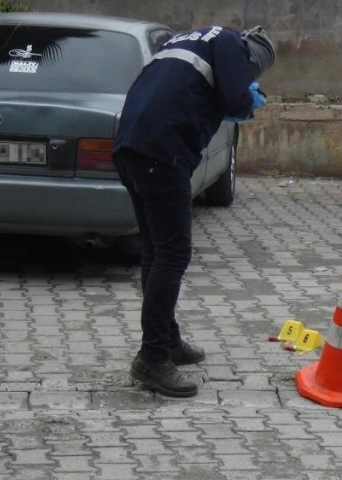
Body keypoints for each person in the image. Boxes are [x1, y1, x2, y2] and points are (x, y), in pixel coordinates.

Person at [113, 25, 275, 397]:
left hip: (130, 145)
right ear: (251, 60)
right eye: (252, 72)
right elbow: (236, 100)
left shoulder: (188, 38)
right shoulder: (231, 44)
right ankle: (152, 359)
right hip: (161, 152)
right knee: (173, 254)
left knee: (156, 250)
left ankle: (167, 340)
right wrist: (250, 100)